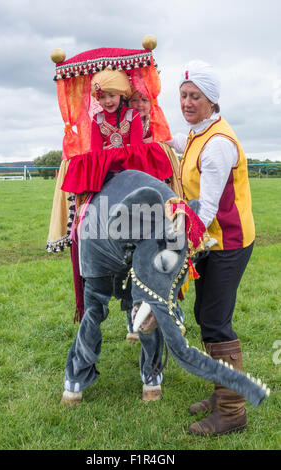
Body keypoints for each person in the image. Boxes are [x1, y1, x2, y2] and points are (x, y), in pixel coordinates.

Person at [166, 60, 255, 436]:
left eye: (194, 97)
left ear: (211, 100)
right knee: (206, 314)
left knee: (216, 322)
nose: (186, 102)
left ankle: (233, 410)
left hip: (227, 242)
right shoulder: (197, 133)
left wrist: (180, 247)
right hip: (210, 241)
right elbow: (177, 144)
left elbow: (208, 206)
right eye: (183, 95)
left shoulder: (217, 143)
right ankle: (224, 392)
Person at [90, 68, 143, 151]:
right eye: (102, 97)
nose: (107, 101)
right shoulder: (97, 119)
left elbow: (137, 149)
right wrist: (101, 153)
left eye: (112, 95)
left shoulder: (133, 115)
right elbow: (95, 152)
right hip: (106, 164)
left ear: (122, 95)